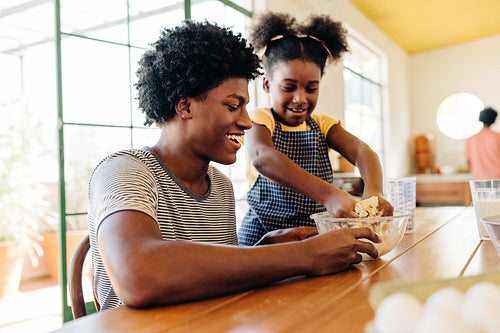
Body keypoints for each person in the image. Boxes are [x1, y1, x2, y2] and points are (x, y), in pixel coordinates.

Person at [88, 20, 381, 310]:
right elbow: (138, 275)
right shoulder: (125, 170)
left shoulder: (220, 186)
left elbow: (210, 274)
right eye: (232, 106)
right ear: (185, 106)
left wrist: (263, 248)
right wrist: (304, 255)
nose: (245, 121)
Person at [238, 12, 393, 246]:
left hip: (314, 237)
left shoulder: (322, 125)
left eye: (311, 88)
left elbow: (363, 151)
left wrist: (374, 192)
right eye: (289, 87)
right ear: (267, 84)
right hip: (265, 239)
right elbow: (263, 157)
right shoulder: (260, 120)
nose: (300, 98)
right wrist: (328, 194)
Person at [465, 107, 500, 179]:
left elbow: (468, 161)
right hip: (497, 178)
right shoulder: (497, 137)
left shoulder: (471, 139)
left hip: (479, 179)